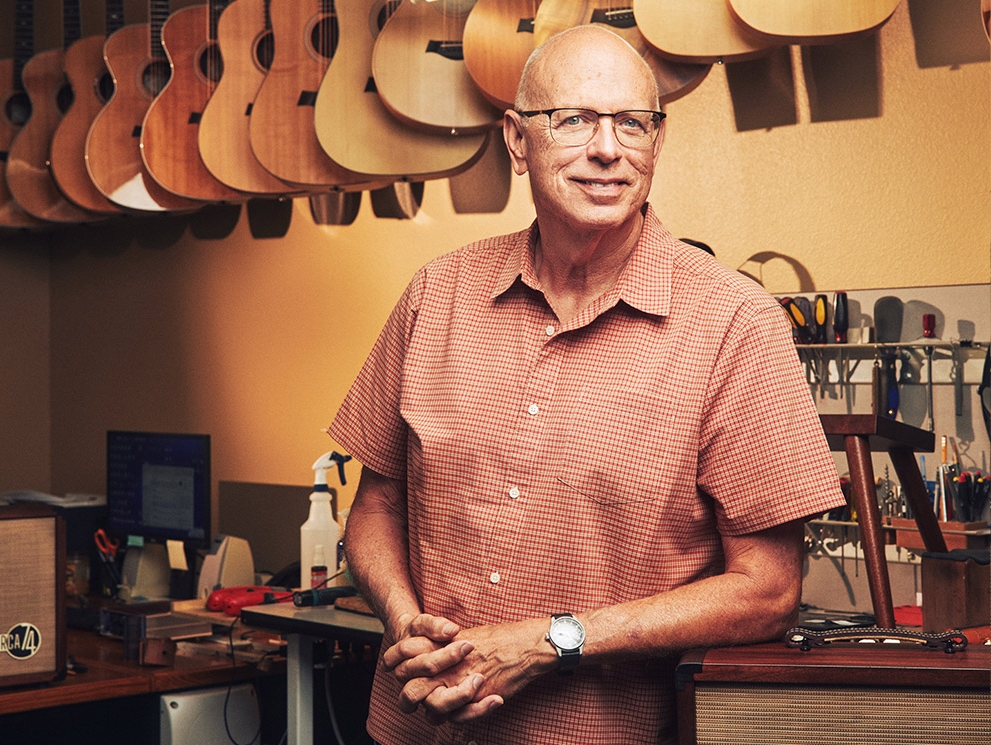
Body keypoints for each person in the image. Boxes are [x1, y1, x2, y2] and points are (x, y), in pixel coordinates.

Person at [329, 24, 846, 745]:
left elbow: (768, 588)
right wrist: (407, 620)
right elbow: (376, 506)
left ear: (656, 145)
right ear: (516, 141)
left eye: (632, 123)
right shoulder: (434, 294)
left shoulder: (737, 323)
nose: (607, 149)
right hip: (414, 728)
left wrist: (552, 640)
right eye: (572, 120)